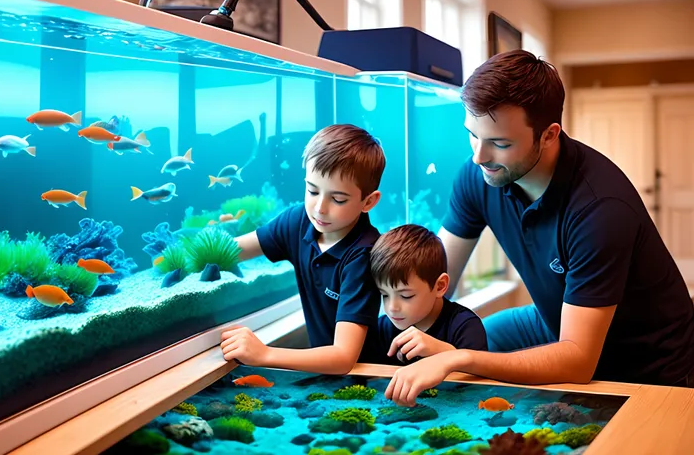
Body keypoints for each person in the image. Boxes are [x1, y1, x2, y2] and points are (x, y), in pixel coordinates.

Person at [385, 49, 694, 406]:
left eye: (500, 144)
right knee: (471, 341)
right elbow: (435, 281)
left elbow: (578, 361)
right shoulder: (478, 175)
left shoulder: (599, 210)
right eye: (473, 135)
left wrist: (457, 356)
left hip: (650, 364)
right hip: (554, 319)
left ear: (548, 135)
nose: (478, 156)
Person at [220, 124, 385, 374]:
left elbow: (343, 357)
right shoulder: (299, 221)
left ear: (368, 201)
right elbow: (233, 250)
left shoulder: (363, 256)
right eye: (312, 190)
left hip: (368, 375)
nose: (320, 208)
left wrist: (264, 354)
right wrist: (189, 257)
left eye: (338, 199)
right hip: (323, 372)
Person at [365, 224, 487, 366]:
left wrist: (445, 353)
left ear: (440, 286)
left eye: (406, 296)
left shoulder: (466, 328)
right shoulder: (383, 330)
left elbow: (480, 384)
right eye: (384, 295)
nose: (392, 307)